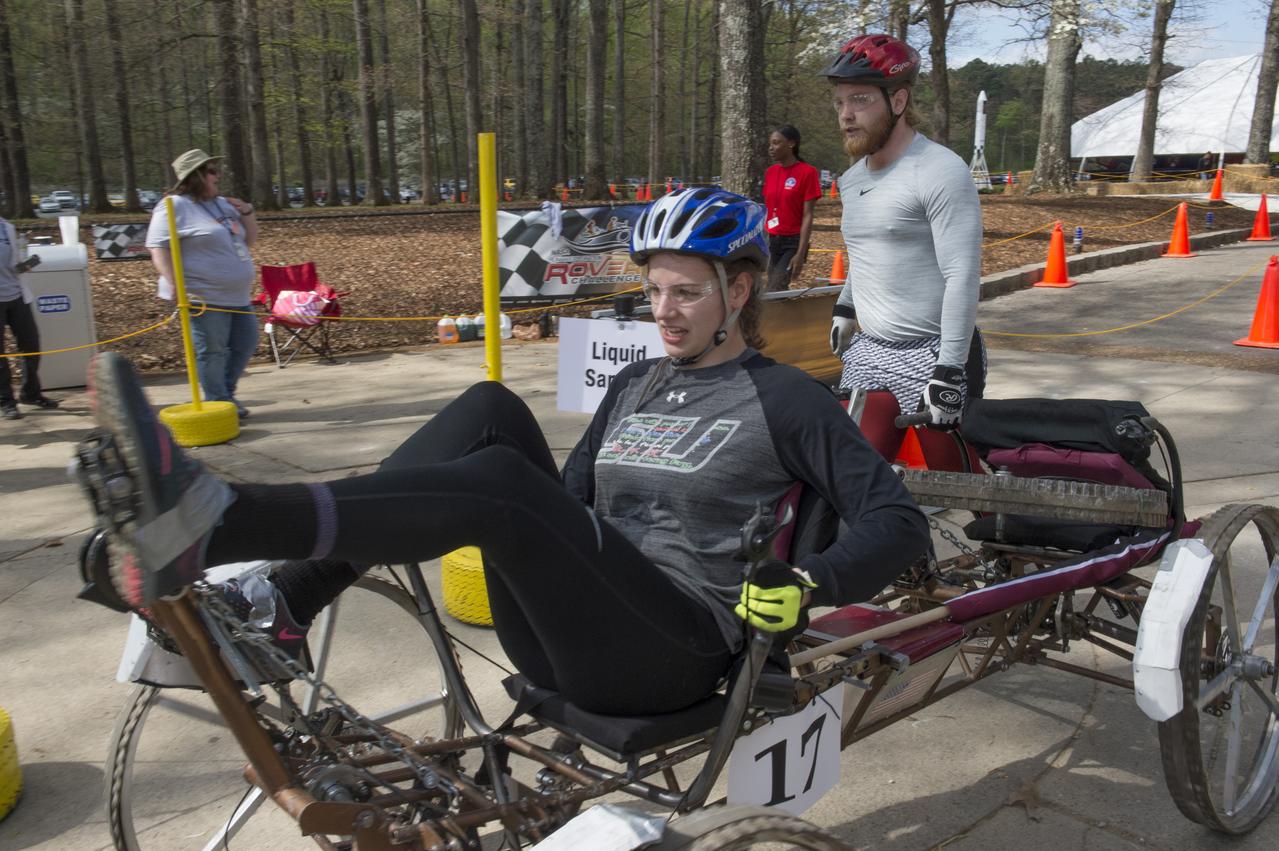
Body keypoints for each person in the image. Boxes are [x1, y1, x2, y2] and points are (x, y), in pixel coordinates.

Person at [76, 188, 929, 717]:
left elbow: (897, 520)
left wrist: (811, 583)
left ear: (737, 290)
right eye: (653, 290)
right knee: (490, 411)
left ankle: (222, 521)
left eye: (686, 292)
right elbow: (564, 502)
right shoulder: (635, 384)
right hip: (571, 624)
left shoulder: (786, 399)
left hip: (673, 650)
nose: (663, 311)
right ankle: (288, 597)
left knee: (501, 486)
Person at [822, 34, 984, 459]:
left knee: (948, 484)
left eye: (860, 100)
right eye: (839, 102)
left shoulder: (939, 170)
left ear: (898, 101)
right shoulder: (851, 180)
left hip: (934, 351)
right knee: (850, 472)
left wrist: (950, 368)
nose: (846, 115)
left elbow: (962, 275)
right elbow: (866, 253)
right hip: (870, 350)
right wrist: (845, 307)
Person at [145, 149, 259, 418]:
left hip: (238, 294)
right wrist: (175, 284)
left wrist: (247, 211)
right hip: (203, 295)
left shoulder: (222, 204)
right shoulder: (173, 206)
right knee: (212, 351)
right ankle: (218, 401)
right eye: (211, 171)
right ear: (195, 176)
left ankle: (225, 395)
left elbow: (249, 240)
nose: (217, 176)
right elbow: (157, 246)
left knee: (245, 343)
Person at [0, 215, 58, 420]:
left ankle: (30, 393)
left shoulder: (6, 227)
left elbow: (14, 262)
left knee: (31, 344)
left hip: (17, 295)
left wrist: (25, 265)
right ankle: (6, 402)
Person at [762, 125, 821, 292]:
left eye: (776, 143)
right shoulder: (770, 172)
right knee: (774, 287)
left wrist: (800, 254)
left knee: (776, 286)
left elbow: (808, 215)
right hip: (771, 240)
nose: (771, 148)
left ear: (791, 144)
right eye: (770, 144)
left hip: (793, 242)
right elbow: (768, 209)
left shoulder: (807, 172)